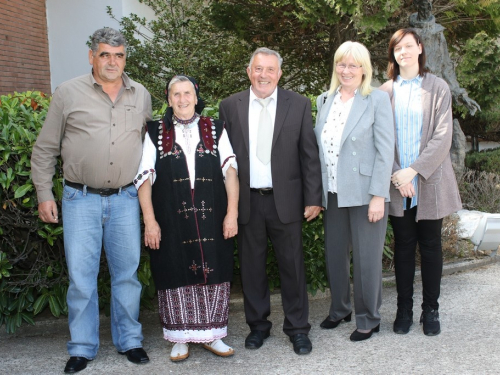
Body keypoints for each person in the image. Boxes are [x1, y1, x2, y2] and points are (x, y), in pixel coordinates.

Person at [31, 28, 151, 373]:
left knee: (127, 275)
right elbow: (45, 150)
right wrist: (43, 194)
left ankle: (130, 340)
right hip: (79, 198)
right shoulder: (68, 93)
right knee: (81, 278)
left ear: (125, 58)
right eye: (105, 55)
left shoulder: (140, 95)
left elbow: (148, 149)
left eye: (119, 55)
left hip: (126, 198)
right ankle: (82, 347)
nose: (113, 62)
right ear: (91, 56)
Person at [219, 47, 322, 355]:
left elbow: (309, 155)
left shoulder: (300, 104)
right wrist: (229, 207)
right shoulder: (229, 106)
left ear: (279, 73)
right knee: (251, 269)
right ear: (249, 72)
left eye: (270, 69)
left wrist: (314, 197)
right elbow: (224, 160)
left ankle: (298, 328)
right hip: (248, 202)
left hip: (287, 201)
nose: (264, 75)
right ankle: (258, 327)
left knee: (292, 267)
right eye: (258, 69)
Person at [134, 75, 238, 361]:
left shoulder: (216, 128)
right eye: (176, 94)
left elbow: (230, 170)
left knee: (215, 267)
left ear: (196, 95)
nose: (182, 99)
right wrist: (150, 221)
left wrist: (232, 213)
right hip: (170, 216)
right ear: (169, 99)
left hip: (212, 213)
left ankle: (213, 335)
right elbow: (144, 177)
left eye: (187, 93)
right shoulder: (155, 131)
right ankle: (179, 337)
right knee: (173, 267)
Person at [379, 28, 462, 336]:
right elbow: (380, 140)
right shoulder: (384, 91)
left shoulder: (438, 87)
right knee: (403, 247)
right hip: (396, 182)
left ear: (420, 49)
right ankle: (404, 310)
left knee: (430, 246)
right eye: (398, 47)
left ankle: (431, 310)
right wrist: (397, 174)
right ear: (394, 54)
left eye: (409, 46)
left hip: (429, 181)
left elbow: (443, 137)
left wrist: (412, 171)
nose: (404, 52)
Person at [314, 41, 394, 341]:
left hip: (364, 193)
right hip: (333, 192)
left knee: (366, 259)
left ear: (364, 68)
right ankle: (340, 309)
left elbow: (386, 151)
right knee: (334, 254)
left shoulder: (376, 100)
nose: (346, 70)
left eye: (353, 65)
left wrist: (377, 196)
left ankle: (368, 318)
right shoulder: (325, 100)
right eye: (341, 64)